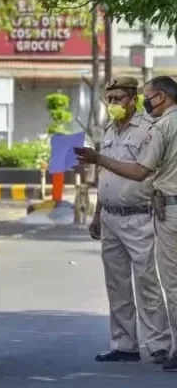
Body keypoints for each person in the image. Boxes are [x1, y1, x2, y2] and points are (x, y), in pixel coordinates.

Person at [74, 75, 177, 371]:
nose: (114, 104)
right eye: (110, 99)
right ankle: (124, 344)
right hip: (110, 216)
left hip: (140, 214)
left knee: (147, 282)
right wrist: (96, 214)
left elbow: (142, 171)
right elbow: (103, 178)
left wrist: (98, 160)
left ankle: (159, 344)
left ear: (134, 100)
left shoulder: (150, 129)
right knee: (116, 283)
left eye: (119, 98)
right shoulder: (108, 131)